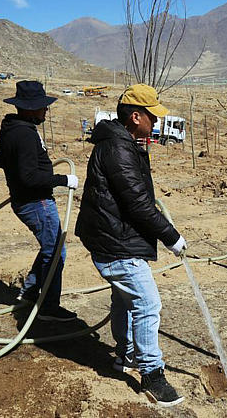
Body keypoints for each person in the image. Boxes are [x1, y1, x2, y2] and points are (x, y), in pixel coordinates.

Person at [74, 84, 186, 407]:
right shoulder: (118, 149)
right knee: (147, 303)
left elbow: (135, 198)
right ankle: (152, 374)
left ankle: (124, 355)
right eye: (152, 116)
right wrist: (171, 237)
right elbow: (137, 204)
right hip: (114, 243)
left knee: (124, 299)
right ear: (135, 117)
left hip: (113, 236)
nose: (156, 122)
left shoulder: (123, 142)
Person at [0, 81, 79, 322]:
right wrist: (63, 179)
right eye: (42, 107)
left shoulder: (12, 128)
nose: (46, 110)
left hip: (26, 200)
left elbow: (5, 163)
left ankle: (31, 292)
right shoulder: (23, 134)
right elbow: (29, 177)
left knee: (50, 248)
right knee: (56, 253)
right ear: (31, 109)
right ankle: (49, 307)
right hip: (36, 202)